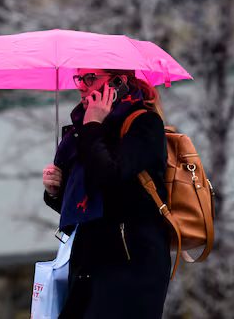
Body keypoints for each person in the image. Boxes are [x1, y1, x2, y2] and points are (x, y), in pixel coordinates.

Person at [41, 68, 170, 318]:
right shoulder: (83, 132)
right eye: (79, 78)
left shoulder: (143, 123)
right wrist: (56, 191)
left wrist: (92, 124)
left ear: (118, 82)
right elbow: (87, 205)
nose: (81, 86)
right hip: (89, 261)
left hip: (130, 260)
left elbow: (110, 176)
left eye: (90, 78)